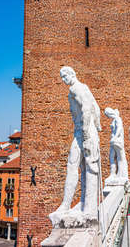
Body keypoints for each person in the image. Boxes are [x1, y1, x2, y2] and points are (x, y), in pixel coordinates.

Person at [49, 66, 101, 225]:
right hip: (87, 130)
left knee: (75, 165)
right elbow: (96, 109)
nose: (63, 80)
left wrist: (85, 132)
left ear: (72, 74)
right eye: (62, 77)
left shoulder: (76, 88)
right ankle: (86, 204)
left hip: (83, 131)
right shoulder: (84, 88)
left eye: (65, 76)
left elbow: (86, 108)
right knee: (85, 167)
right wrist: (96, 127)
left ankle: (69, 205)